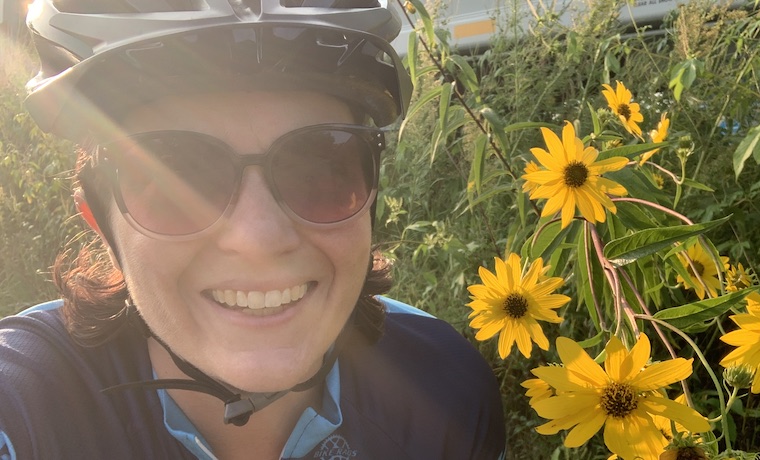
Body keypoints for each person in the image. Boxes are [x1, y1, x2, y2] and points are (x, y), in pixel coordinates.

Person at [0, 1, 506, 459]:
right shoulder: (27, 405)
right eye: (177, 178)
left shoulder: (447, 394)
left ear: (370, 198)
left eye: (321, 166)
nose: (259, 239)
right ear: (101, 225)